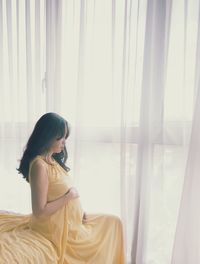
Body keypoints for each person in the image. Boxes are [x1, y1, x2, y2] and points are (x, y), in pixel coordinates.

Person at [0, 112, 125, 264]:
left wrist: (79, 211)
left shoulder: (53, 160)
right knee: (107, 229)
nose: (64, 142)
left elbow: (58, 191)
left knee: (114, 222)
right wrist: (69, 198)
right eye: (61, 137)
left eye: (66, 137)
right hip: (56, 229)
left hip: (74, 221)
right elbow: (39, 211)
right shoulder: (39, 165)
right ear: (48, 136)